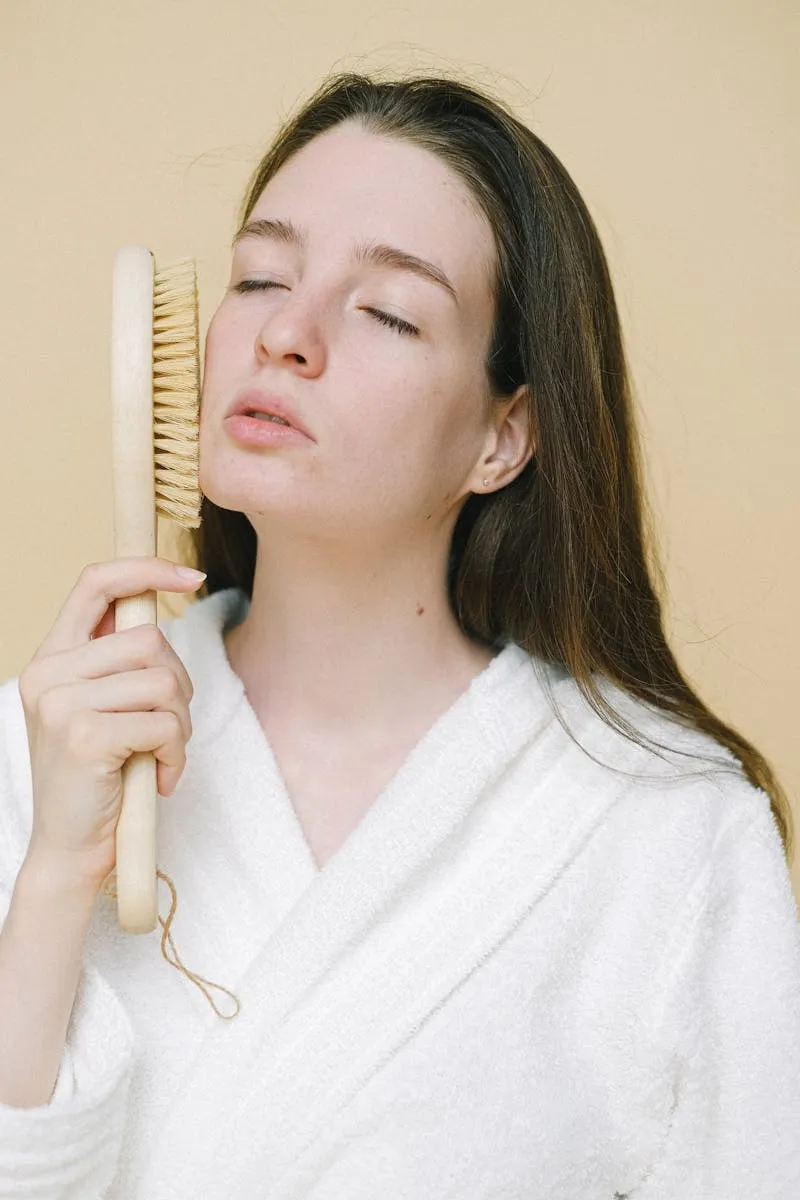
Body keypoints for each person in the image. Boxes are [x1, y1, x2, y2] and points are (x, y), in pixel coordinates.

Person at [1, 70, 798, 1200]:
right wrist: (46, 892)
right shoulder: (42, 748)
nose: (284, 331)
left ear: (502, 437)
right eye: (260, 276)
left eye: (386, 311)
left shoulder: (664, 829)